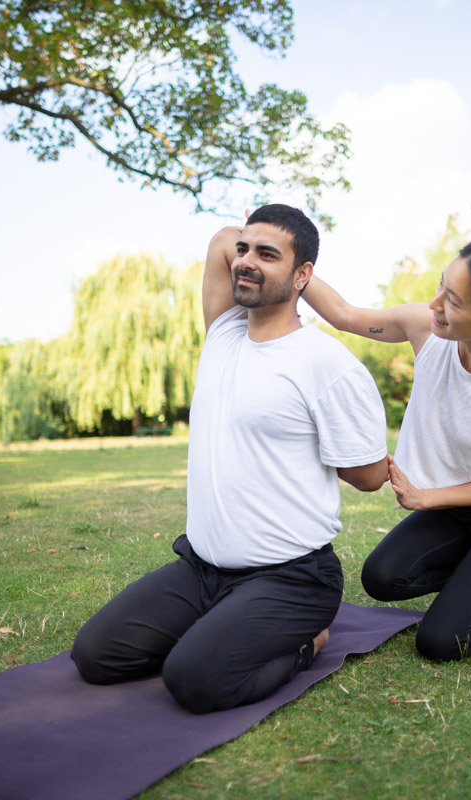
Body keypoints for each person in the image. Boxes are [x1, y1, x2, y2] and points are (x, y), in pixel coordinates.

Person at [70, 204, 389, 713]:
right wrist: (253, 235)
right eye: (244, 250)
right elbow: (221, 238)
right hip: (201, 570)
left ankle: (310, 641)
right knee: (95, 657)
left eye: (268, 255)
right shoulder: (223, 333)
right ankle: (224, 624)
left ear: (303, 275)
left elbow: (370, 476)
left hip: (291, 577)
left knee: (194, 681)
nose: (245, 261)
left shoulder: (328, 365)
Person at [301, 237, 471, 662]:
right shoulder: (426, 328)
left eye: (454, 300)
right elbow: (344, 315)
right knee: (382, 579)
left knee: (442, 643)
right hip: (452, 516)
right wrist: (287, 261)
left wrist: (427, 497)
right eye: (441, 286)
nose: (435, 303)